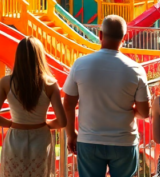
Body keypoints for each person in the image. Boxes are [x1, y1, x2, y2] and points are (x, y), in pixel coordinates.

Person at [63, 16, 151, 177]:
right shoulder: (136, 69)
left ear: (100, 35)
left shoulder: (80, 64)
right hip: (124, 141)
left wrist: (71, 134)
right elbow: (144, 112)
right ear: (124, 38)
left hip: (89, 140)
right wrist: (132, 111)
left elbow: (68, 103)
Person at [0, 36, 68, 177]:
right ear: (40, 56)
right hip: (41, 138)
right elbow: (62, 121)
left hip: (15, 139)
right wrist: (46, 124)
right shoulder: (50, 84)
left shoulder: (6, 83)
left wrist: (14, 124)